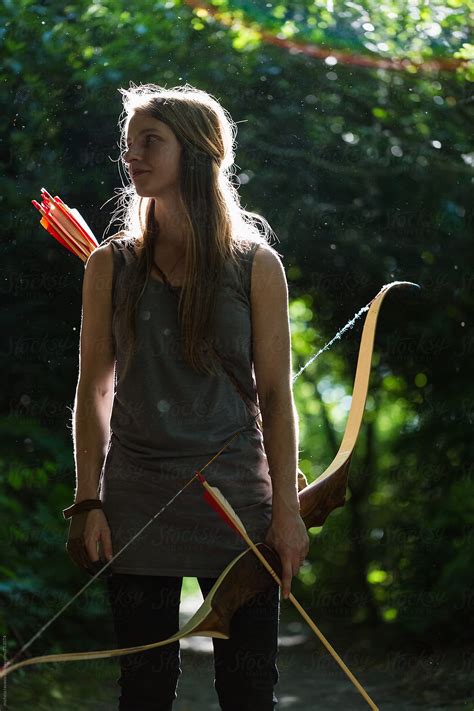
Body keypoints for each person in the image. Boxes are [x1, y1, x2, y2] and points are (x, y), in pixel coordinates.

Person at [66, 83, 309, 711]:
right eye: (129, 144)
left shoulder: (255, 264)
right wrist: (87, 501)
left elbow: (277, 397)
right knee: (143, 688)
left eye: (151, 141)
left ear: (196, 153)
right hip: (137, 494)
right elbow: (94, 389)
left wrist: (287, 510)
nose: (132, 156)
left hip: (235, 497)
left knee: (249, 689)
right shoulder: (109, 264)